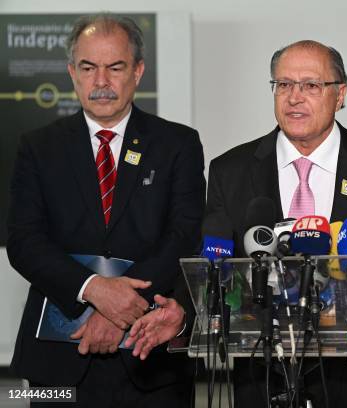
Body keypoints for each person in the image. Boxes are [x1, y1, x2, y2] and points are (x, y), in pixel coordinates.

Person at [129, 39, 347, 407]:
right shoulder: (230, 170)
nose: (295, 97)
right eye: (283, 85)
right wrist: (183, 313)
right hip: (258, 375)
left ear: (340, 94)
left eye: (311, 85)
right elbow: (213, 256)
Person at [6, 14, 205, 408]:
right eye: (88, 67)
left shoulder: (177, 144)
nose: (101, 82)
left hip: (152, 360)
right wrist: (94, 290)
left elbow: (184, 235)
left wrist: (120, 312)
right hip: (58, 361)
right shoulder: (38, 147)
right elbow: (24, 241)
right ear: (71, 73)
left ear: (138, 71)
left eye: (115, 67)